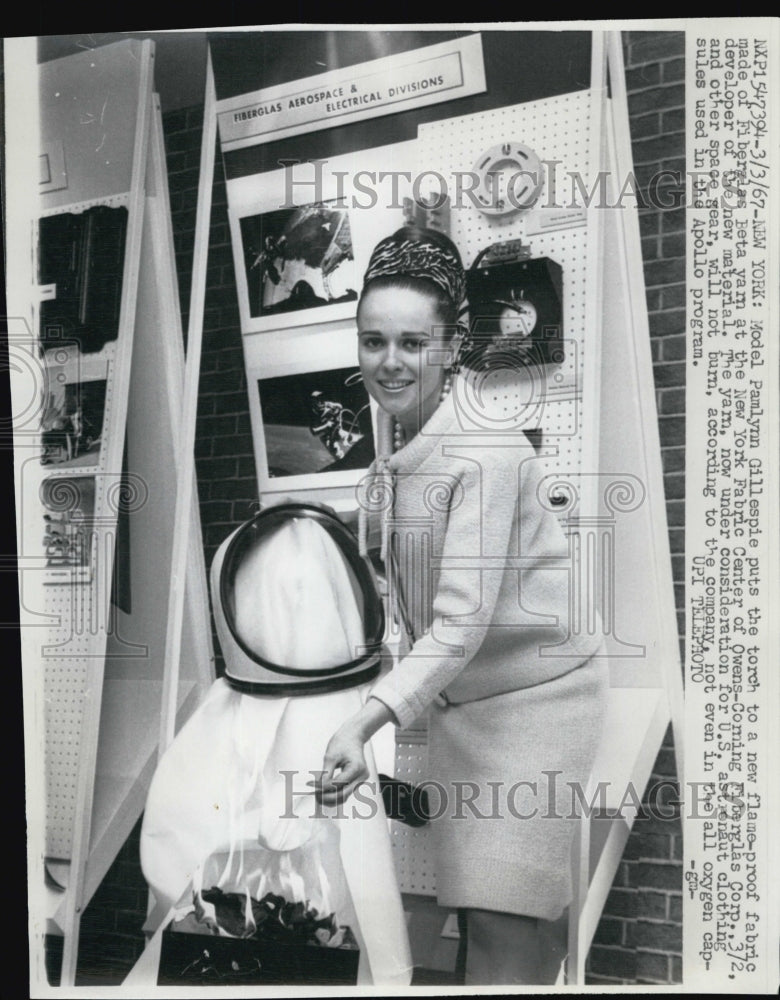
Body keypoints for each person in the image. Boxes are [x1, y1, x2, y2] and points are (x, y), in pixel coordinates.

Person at [315, 225, 608, 985]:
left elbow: (462, 620)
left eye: (413, 342)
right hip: (465, 710)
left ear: (450, 349)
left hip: (534, 708)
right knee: (502, 930)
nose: (390, 362)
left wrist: (365, 719)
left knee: (505, 930)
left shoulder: (486, 447)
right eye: (373, 341)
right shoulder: (399, 453)